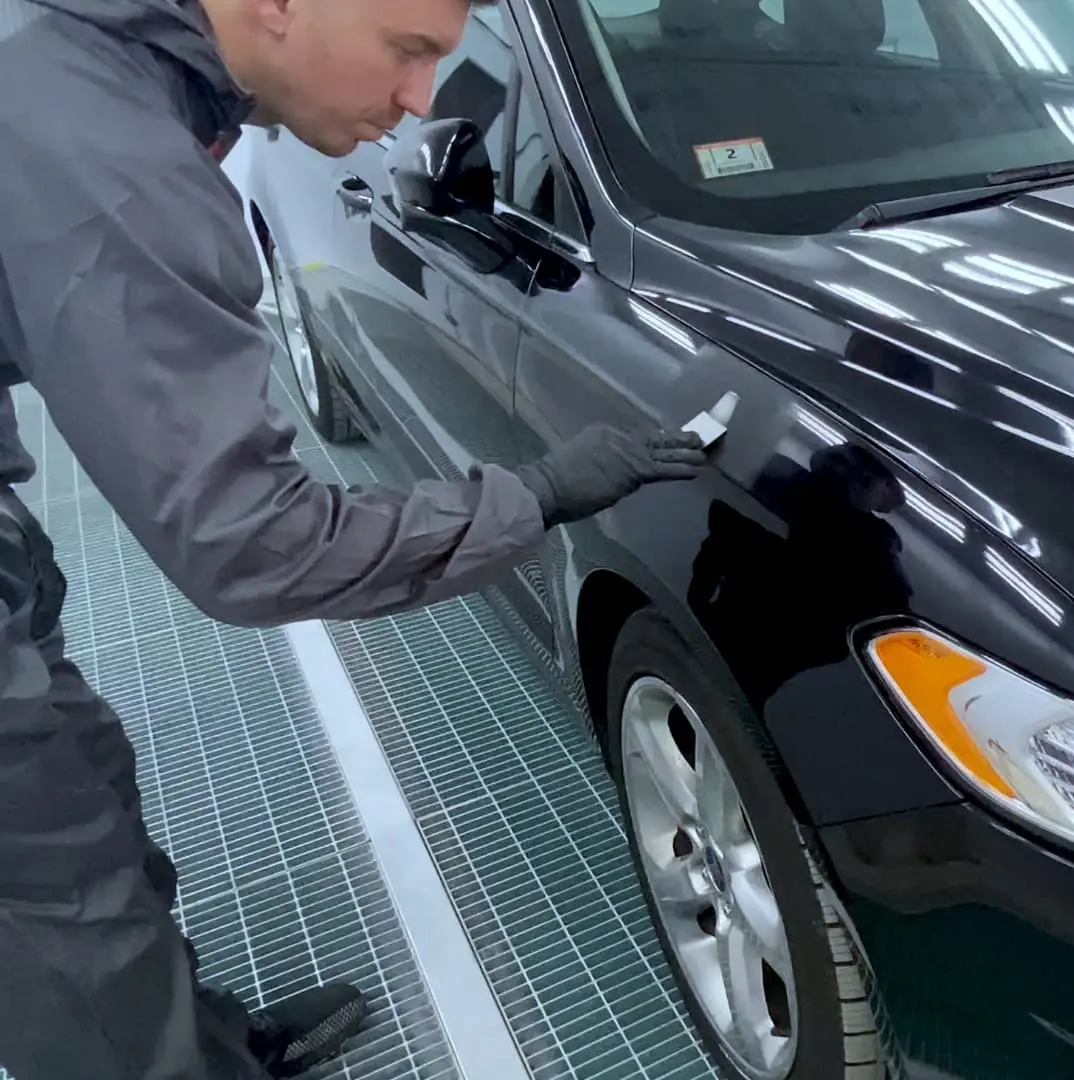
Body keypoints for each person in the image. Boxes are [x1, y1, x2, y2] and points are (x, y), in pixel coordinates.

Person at [0, 0, 708, 1076]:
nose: (429, 98)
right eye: (410, 50)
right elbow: (252, 544)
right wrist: (533, 494)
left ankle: (191, 1042)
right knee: (56, 896)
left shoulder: (132, 69)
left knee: (87, 794)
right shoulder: (119, 164)